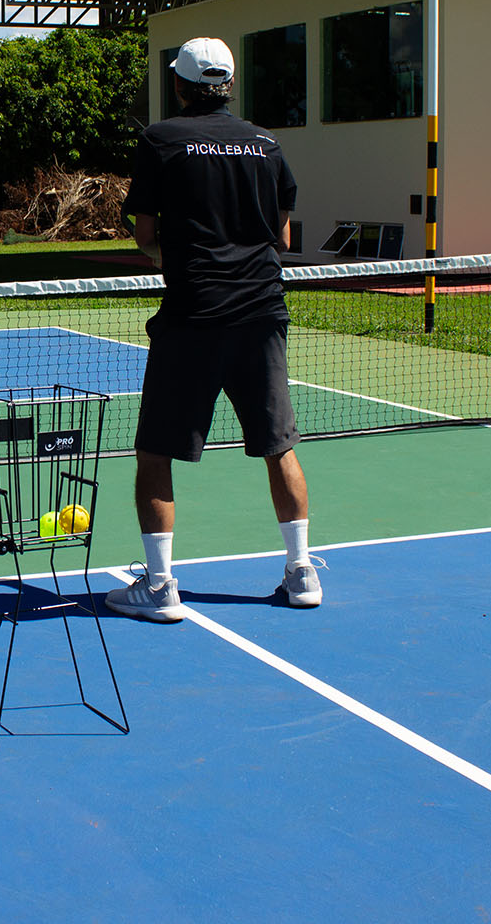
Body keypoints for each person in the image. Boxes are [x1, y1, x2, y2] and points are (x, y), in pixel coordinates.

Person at [106, 37, 323, 623]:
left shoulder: (159, 140)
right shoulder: (268, 145)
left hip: (193, 317)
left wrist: (170, 254)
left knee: (155, 453)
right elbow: (281, 237)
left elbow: (146, 233)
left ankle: (159, 588)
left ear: (179, 85)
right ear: (228, 84)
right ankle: (301, 572)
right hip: (262, 314)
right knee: (280, 447)